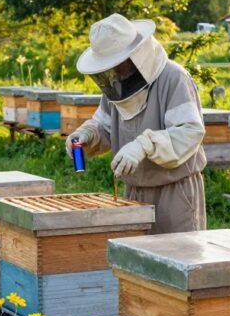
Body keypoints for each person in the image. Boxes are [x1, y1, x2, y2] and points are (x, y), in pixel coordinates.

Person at [66, 14, 207, 234]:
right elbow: (105, 126)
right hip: (133, 191)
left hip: (173, 192)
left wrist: (145, 145)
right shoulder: (116, 85)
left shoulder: (173, 78)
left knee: (178, 259)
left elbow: (189, 132)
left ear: (136, 53)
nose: (116, 70)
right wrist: (88, 134)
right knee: (134, 263)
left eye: (118, 62)